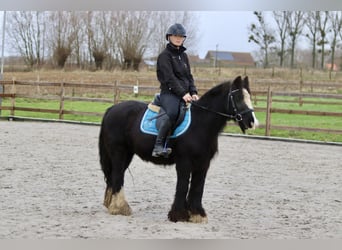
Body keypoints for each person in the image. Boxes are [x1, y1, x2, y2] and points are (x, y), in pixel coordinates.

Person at [152, 23, 199, 157]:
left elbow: (188, 76)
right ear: (169, 37)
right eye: (175, 36)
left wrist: (193, 92)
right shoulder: (164, 56)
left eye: (181, 36)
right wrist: (183, 93)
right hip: (169, 93)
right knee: (172, 113)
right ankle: (158, 146)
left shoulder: (184, 56)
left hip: (184, 94)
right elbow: (169, 78)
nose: (178, 39)